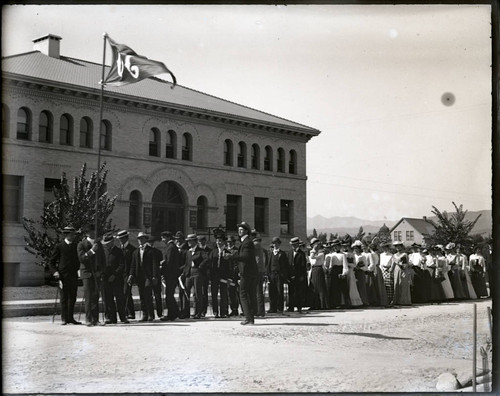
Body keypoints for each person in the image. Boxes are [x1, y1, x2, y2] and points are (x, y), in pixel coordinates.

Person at [49, 226, 81, 325]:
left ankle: (70, 318)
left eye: (74, 234)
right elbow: (51, 262)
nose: (73, 236)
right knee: (64, 298)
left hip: (73, 276)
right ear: (66, 235)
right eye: (71, 234)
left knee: (73, 297)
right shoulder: (59, 246)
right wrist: (55, 272)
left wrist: (79, 270)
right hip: (62, 276)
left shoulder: (76, 246)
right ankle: (64, 318)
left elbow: (79, 260)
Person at [78, 224, 106, 326]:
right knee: (89, 297)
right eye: (91, 231)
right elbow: (82, 259)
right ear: (87, 233)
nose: (93, 233)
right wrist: (92, 251)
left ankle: (95, 319)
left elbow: (103, 260)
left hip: (97, 274)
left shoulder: (99, 244)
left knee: (95, 296)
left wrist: (101, 271)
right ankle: (88, 319)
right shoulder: (82, 244)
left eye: (94, 231)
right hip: (87, 273)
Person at [128, 232, 160, 322]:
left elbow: (154, 264)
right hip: (139, 276)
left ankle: (151, 314)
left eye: (142, 238)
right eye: (139, 239)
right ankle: (145, 314)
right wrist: (131, 274)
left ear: (146, 239)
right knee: (142, 295)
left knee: (147, 294)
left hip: (148, 276)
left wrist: (154, 276)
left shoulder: (151, 251)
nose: (140, 240)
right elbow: (133, 265)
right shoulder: (136, 252)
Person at [232, 221, 259, 325]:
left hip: (247, 273)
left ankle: (248, 318)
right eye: (238, 229)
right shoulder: (246, 242)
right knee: (250, 294)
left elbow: (245, 257)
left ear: (246, 231)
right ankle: (250, 317)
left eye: (242, 229)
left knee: (243, 294)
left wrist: (232, 257)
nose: (239, 231)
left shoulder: (247, 242)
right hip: (249, 272)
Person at [101, 232, 128, 324]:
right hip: (106, 279)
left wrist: (114, 275)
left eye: (108, 243)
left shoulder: (118, 251)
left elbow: (121, 265)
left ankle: (123, 317)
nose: (107, 245)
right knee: (108, 299)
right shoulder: (103, 251)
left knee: (119, 298)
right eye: (105, 244)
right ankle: (111, 318)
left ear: (112, 242)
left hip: (116, 279)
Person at [183, 234, 209, 319]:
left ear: (195, 241)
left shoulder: (201, 251)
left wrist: (200, 266)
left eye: (190, 241)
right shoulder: (188, 252)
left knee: (197, 293)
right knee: (186, 292)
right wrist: (183, 272)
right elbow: (186, 263)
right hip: (189, 273)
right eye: (188, 241)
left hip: (197, 272)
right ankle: (185, 312)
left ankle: (198, 312)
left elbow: (206, 259)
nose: (189, 243)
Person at [159, 231, 181, 321]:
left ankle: (172, 314)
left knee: (169, 295)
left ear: (167, 238)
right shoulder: (170, 247)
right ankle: (176, 312)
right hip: (171, 274)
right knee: (169, 295)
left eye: (163, 238)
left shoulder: (171, 247)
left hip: (171, 274)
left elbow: (169, 262)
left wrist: (162, 269)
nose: (162, 240)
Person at [208, 233, 230, 318]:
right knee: (214, 294)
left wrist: (229, 277)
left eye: (220, 241)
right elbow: (210, 264)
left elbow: (230, 265)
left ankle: (223, 312)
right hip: (214, 276)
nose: (218, 242)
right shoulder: (213, 252)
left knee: (223, 295)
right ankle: (215, 312)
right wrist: (209, 276)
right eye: (217, 241)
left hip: (224, 276)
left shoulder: (227, 252)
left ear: (224, 242)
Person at [116, 230, 136, 319]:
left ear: (126, 238)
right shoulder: (119, 248)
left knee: (126, 292)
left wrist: (131, 275)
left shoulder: (132, 249)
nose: (120, 240)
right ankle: (125, 312)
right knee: (121, 293)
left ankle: (130, 312)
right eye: (119, 239)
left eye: (122, 238)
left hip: (128, 274)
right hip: (119, 274)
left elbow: (133, 263)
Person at [266, 237, 289, 313]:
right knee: (272, 292)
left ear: (279, 244)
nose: (275, 245)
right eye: (274, 243)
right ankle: (272, 308)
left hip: (279, 275)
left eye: (276, 243)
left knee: (280, 291)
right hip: (272, 275)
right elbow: (268, 265)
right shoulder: (271, 253)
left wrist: (284, 276)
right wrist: (268, 275)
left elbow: (285, 266)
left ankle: (280, 308)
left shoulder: (282, 254)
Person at [287, 236, 308, 313]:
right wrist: (289, 275)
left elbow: (302, 266)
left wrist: (297, 275)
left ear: (297, 245)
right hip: (290, 275)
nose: (293, 246)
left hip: (298, 276)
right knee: (291, 292)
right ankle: (291, 307)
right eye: (292, 245)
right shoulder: (289, 253)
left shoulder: (301, 254)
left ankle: (299, 307)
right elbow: (287, 264)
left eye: (295, 244)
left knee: (299, 292)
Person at [329, 240, 350, 308]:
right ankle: (335, 303)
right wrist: (329, 270)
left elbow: (345, 265)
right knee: (334, 288)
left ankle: (346, 303)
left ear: (339, 246)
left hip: (340, 270)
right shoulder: (332, 255)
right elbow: (330, 265)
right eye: (334, 246)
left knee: (343, 287)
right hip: (334, 271)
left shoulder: (343, 255)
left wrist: (344, 273)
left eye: (336, 246)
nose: (335, 248)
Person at [309, 238, 328, 310]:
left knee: (320, 287)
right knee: (313, 287)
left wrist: (314, 250)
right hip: (313, 270)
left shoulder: (321, 253)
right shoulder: (312, 252)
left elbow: (313, 257)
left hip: (319, 269)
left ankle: (322, 304)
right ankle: (314, 304)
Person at [342, 240, 363, 308]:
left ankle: (353, 302)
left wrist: (349, 264)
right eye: (344, 246)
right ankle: (345, 301)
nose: (346, 247)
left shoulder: (352, 254)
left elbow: (354, 264)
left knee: (352, 286)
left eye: (347, 246)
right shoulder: (343, 254)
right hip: (344, 270)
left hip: (350, 271)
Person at [175, 232, 190, 318]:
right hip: (176, 273)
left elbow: (187, 262)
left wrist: (181, 270)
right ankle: (181, 310)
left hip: (184, 273)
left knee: (184, 292)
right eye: (176, 239)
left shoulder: (186, 249)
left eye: (179, 239)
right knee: (180, 293)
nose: (178, 241)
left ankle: (185, 312)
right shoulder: (176, 249)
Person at [392, 241, 413, 306]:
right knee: (396, 284)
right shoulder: (394, 255)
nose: (397, 248)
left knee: (403, 284)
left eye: (398, 246)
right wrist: (391, 270)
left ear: (401, 246)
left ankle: (404, 301)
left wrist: (399, 263)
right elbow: (393, 264)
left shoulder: (404, 254)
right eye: (396, 246)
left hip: (403, 270)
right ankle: (396, 300)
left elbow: (405, 265)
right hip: (396, 270)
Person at [197, 235, 212, 318]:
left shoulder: (209, 251)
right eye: (199, 241)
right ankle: (198, 310)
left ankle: (203, 310)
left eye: (202, 241)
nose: (200, 243)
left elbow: (209, 262)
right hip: (197, 274)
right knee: (197, 293)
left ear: (205, 241)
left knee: (204, 293)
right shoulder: (197, 250)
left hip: (205, 274)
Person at [253, 234, 268, 317]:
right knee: (258, 291)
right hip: (260, 270)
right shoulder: (259, 245)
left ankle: (259, 311)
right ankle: (260, 310)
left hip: (257, 271)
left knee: (258, 291)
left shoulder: (255, 244)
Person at [226, 235, 240, 317]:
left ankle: (235, 309)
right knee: (228, 293)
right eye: (228, 242)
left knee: (233, 293)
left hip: (233, 275)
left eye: (230, 242)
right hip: (226, 274)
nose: (229, 244)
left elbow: (237, 264)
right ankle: (231, 309)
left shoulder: (236, 251)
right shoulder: (226, 250)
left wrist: (235, 273)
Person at [352, 241, 369, 306]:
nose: (355, 250)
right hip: (354, 272)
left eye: (356, 248)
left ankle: (363, 301)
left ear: (359, 249)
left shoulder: (362, 256)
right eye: (354, 248)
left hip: (360, 272)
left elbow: (365, 266)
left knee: (361, 286)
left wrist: (360, 268)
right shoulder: (353, 256)